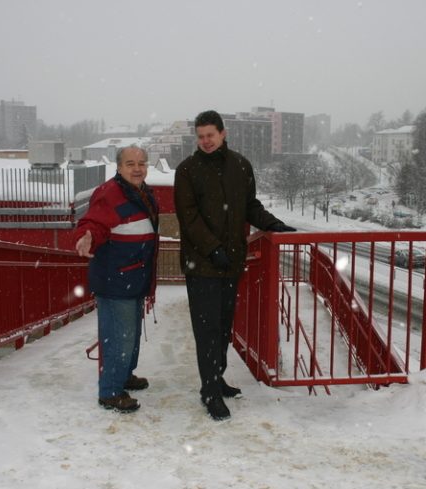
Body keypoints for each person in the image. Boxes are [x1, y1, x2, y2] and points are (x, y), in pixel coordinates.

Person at [174, 110, 295, 420]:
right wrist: (213, 249)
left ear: (223, 133)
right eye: (200, 137)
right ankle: (210, 392)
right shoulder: (187, 170)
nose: (205, 141)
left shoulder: (240, 165)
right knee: (207, 329)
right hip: (201, 264)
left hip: (231, 263)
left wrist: (273, 223)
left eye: (210, 135)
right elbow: (189, 218)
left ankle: (218, 378)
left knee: (224, 327)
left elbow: (249, 205)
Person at [74, 146, 158, 413]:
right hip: (116, 279)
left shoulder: (141, 192)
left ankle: (124, 376)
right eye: (130, 163)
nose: (137, 168)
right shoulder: (110, 193)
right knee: (118, 337)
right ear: (119, 167)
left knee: (130, 336)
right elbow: (95, 223)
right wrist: (88, 236)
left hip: (134, 276)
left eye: (142, 163)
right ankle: (110, 390)